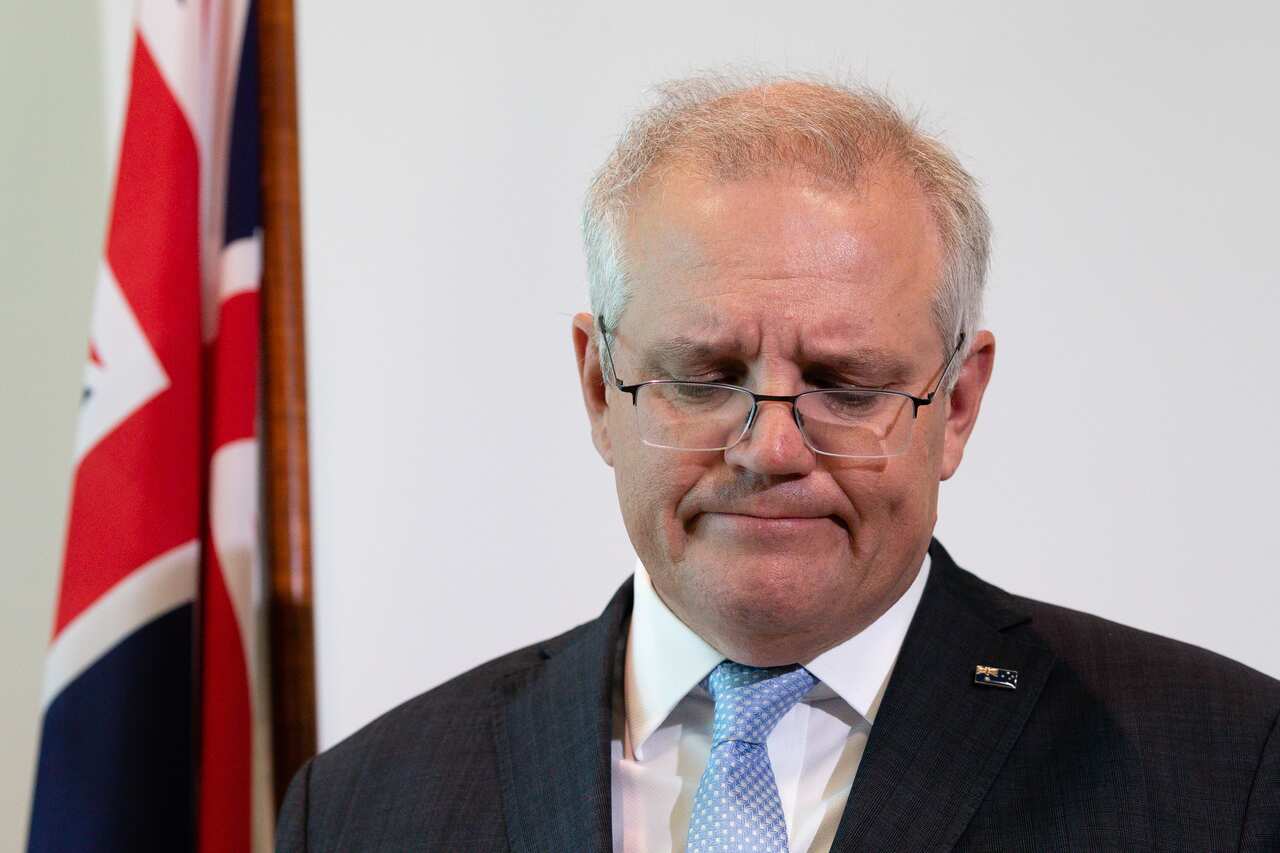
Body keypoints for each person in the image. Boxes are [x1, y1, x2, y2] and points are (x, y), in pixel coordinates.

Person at [276, 74, 1279, 851]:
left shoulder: (1225, 774)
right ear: (598, 387)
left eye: (848, 385)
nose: (770, 448)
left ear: (957, 404)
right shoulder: (365, 805)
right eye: (704, 376)